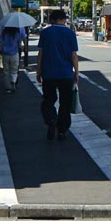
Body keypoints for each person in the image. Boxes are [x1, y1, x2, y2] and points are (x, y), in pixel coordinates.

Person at [36, 8, 79, 141]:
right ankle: (62, 130)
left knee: (48, 100)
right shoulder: (70, 33)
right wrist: (76, 73)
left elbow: (41, 54)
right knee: (65, 103)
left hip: (49, 73)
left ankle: (51, 119)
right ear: (64, 19)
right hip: (66, 74)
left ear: (52, 20)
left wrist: (38, 71)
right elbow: (74, 55)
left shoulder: (45, 33)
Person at [0, 26, 24, 93]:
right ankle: (13, 81)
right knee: (14, 70)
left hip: (5, 54)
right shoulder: (17, 33)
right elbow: (19, 44)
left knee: (6, 71)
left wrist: (2, 48)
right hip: (14, 54)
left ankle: (8, 87)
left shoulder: (4, 33)